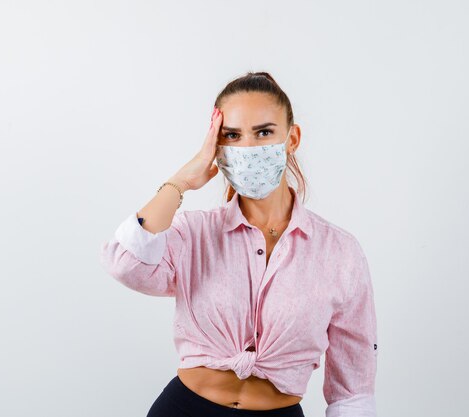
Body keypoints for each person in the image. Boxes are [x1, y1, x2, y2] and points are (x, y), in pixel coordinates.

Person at [100, 72, 379, 417]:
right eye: (232, 135)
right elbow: (125, 264)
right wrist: (181, 181)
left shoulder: (340, 253)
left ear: (292, 138)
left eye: (264, 132)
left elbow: (353, 391)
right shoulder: (194, 234)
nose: (248, 147)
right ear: (217, 147)